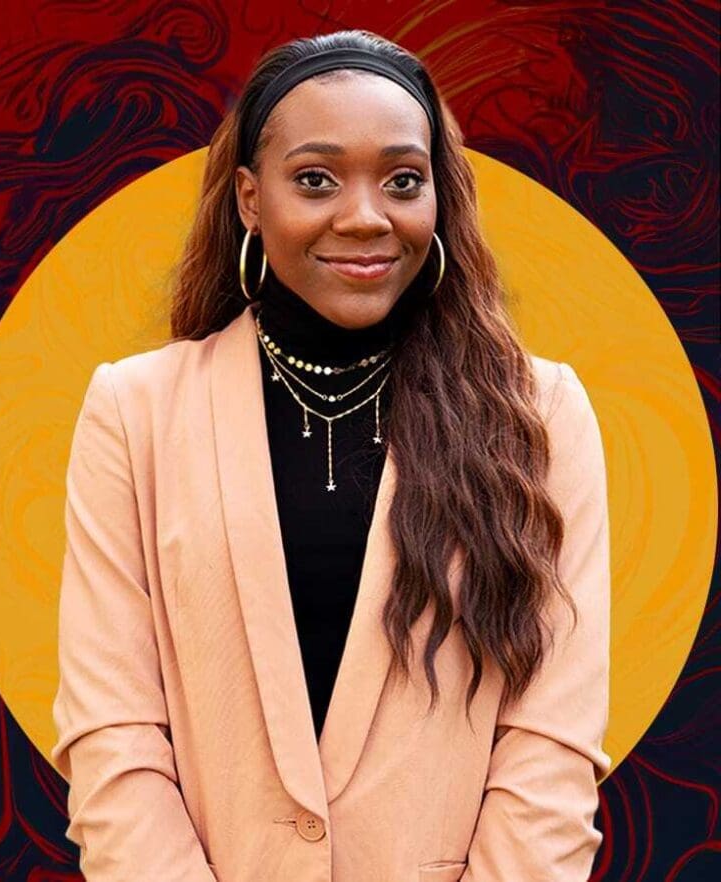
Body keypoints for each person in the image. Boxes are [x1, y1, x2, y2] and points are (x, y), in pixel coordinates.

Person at [51, 30, 609, 882]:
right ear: (248, 197)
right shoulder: (135, 411)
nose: (364, 215)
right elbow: (113, 732)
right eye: (315, 178)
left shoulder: (540, 416)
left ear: (439, 201)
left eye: (402, 180)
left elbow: (551, 743)